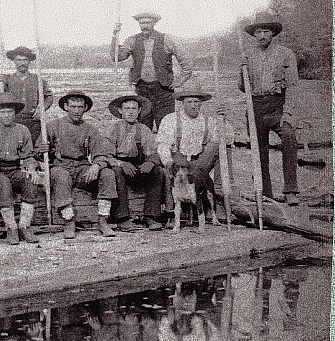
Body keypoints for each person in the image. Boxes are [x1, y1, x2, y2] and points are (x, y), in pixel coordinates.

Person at [239, 11, 300, 205]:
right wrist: (242, 70)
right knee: (259, 149)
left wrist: (288, 112)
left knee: (289, 136)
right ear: (254, 35)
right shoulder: (247, 55)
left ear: (272, 33)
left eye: (266, 31)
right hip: (255, 105)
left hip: (278, 105)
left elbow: (293, 85)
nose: (262, 35)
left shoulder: (285, 54)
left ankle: (291, 191)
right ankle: (265, 193)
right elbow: (242, 87)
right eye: (259, 32)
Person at [44, 90, 117, 239]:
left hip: (82, 169)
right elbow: (39, 153)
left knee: (107, 174)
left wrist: (96, 166)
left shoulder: (90, 129)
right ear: (66, 107)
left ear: (85, 108)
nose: (77, 111)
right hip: (61, 167)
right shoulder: (53, 126)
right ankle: (69, 220)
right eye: (73, 107)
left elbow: (100, 152)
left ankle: (103, 219)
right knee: (61, 175)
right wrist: (44, 149)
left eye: (80, 107)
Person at [111, 12, 194, 131]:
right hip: (142, 90)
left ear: (154, 23)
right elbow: (117, 57)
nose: (145, 25)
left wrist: (180, 81)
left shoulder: (166, 39)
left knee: (166, 127)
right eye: (142, 23)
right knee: (143, 127)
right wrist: (114, 35)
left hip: (163, 91)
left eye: (148, 22)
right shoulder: (132, 40)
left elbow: (185, 60)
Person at [155, 82, 222, 218]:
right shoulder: (171, 120)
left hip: (200, 161)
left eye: (196, 102)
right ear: (182, 103)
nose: (193, 105)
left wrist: (223, 121)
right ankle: (171, 213)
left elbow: (219, 141)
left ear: (201, 103)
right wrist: (168, 161)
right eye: (189, 102)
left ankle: (219, 200)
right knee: (171, 173)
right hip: (179, 160)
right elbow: (163, 145)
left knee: (220, 150)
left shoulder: (209, 121)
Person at [0, 94, 41, 245]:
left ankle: (24, 225)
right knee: (3, 183)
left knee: (30, 181)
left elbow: (28, 156)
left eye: (10, 112)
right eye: (2, 112)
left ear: (15, 113)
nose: (7, 115)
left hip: (15, 168)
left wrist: (31, 169)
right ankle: (11, 227)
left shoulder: (22, 130)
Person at [107, 94, 165, 231]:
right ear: (120, 111)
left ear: (139, 111)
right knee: (115, 172)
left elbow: (154, 153)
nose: (131, 112)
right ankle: (122, 218)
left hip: (138, 167)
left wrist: (150, 162)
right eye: (127, 108)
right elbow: (106, 155)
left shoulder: (143, 129)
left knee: (158, 172)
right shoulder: (113, 129)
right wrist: (121, 163)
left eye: (134, 108)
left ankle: (150, 216)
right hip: (120, 167)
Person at [0, 45, 53, 141]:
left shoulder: (38, 80)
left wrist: (41, 109)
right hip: (14, 120)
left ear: (29, 61)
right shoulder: (7, 80)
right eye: (19, 60)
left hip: (33, 120)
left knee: (34, 149)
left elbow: (48, 97)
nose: (22, 63)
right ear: (14, 61)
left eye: (25, 60)